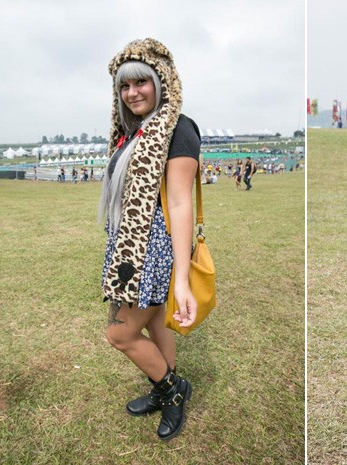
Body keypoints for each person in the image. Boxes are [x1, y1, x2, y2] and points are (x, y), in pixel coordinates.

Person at [97, 38, 200, 441]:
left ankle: (173, 393)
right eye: (124, 85)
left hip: (152, 252)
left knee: (120, 334)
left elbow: (178, 204)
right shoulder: (133, 131)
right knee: (157, 322)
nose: (132, 92)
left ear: (162, 83)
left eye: (141, 82)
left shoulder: (178, 128)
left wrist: (182, 278)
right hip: (133, 247)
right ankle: (166, 388)